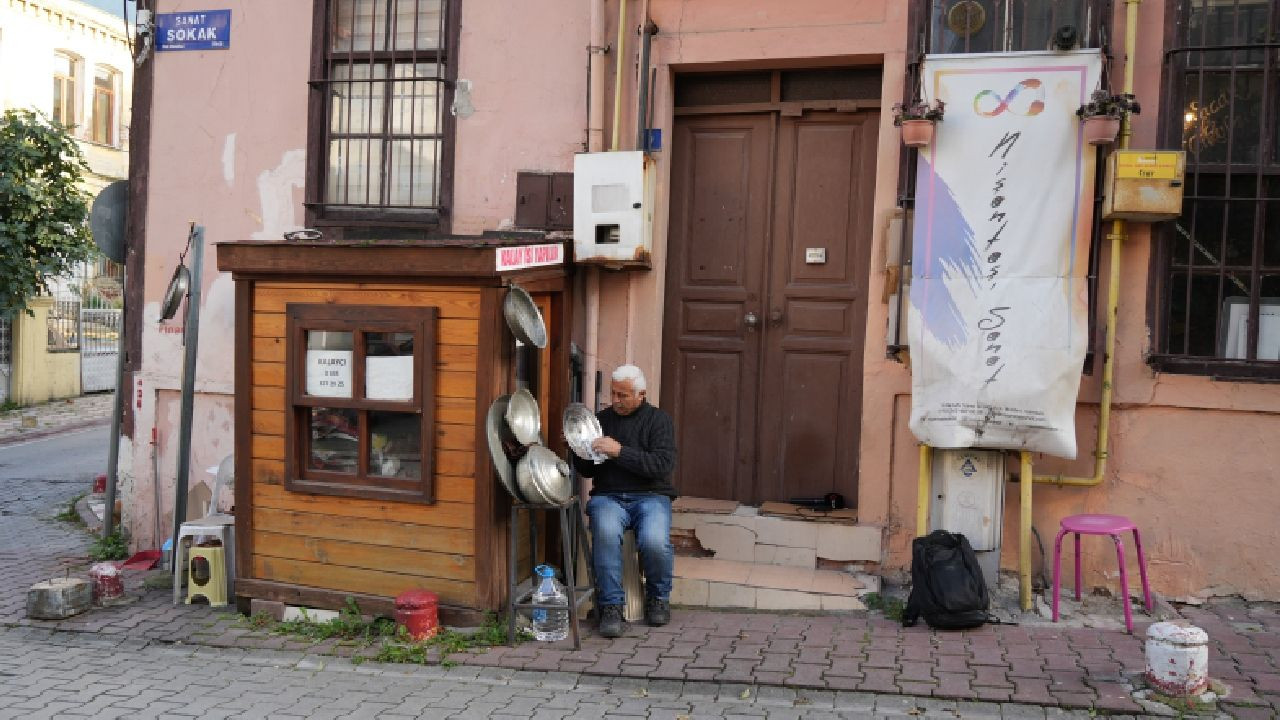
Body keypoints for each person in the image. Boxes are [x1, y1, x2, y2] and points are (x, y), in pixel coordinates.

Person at [572, 364, 676, 638]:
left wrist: (620, 452)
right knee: (605, 534)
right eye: (613, 394)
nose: (615, 401)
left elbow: (662, 466)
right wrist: (577, 448)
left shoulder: (659, 421)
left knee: (655, 541)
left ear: (641, 394)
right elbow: (589, 470)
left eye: (623, 395)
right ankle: (610, 607)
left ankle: (658, 598)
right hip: (608, 496)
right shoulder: (600, 420)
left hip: (651, 496)